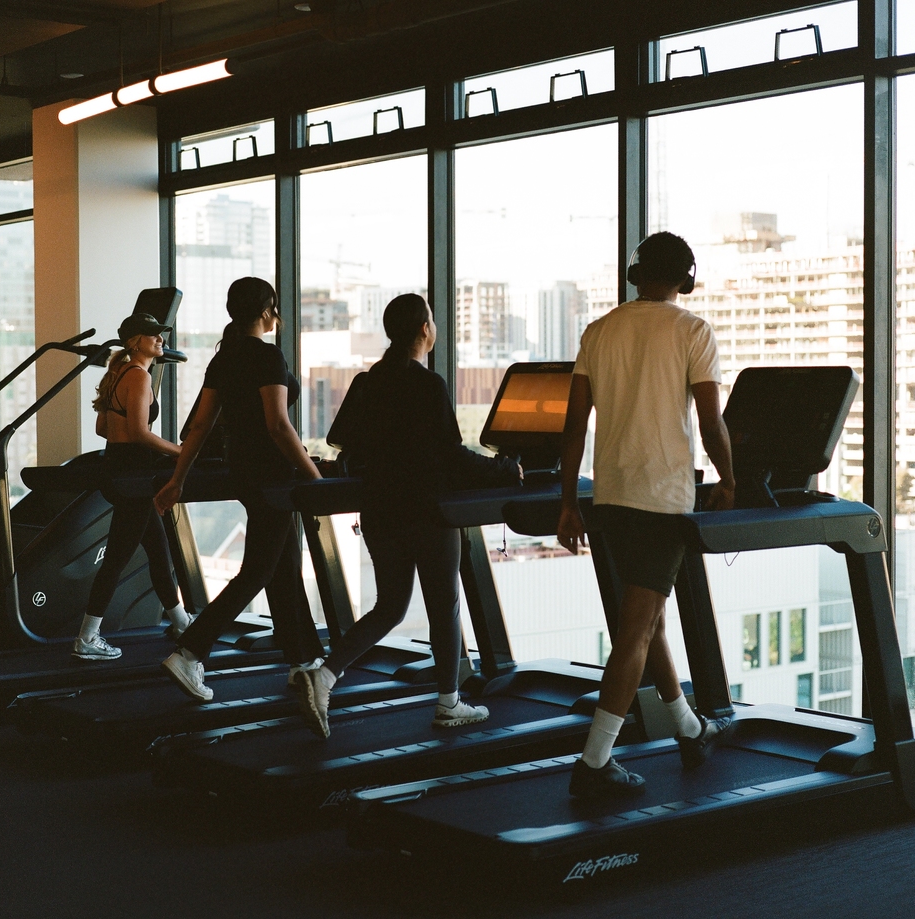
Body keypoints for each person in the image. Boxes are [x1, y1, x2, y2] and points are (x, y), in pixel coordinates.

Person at [292, 294, 521, 739]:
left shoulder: (368, 381)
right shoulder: (427, 384)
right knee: (443, 606)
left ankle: (323, 676)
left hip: (380, 511)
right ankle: (448, 703)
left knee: (390, 606)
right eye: (432, 321)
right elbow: (450, 455)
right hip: (426, 513)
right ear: (423, 330)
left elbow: (341, 439)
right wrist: (504, 470)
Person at [556, 231, 735, 799]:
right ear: (687, 278)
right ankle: (594, 761)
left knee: (646, 614)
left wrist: (566, 502)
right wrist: (730, 479)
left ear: (636, 276)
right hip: (662, 498)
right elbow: (710, 422)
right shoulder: (692, 331)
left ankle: (688, 729)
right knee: (637, 627)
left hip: (611, 496)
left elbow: (574, 425)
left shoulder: (599, 331)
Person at [155, 277, 325, 701]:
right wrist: (314, 478)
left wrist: (178, 478)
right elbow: (279, 426)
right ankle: (191, 651)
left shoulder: (224, 357)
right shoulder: (267, 356)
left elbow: (200, 425)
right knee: (260, 570)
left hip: (244, 472)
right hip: (273, 473)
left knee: (283, 568)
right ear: (267, 310)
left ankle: (303, 661)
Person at [74, 312, 191, 660]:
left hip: (118, 468)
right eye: (152, 335)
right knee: (117, 559)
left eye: (161, 335)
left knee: (158, 550)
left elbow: (102, 429)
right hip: (133, 478)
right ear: (133, 341)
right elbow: (140, 433)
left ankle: (182, 622)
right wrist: (183, 452)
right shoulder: (138, 377)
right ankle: (86, 638)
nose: (160, 339)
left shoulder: (117, 373)